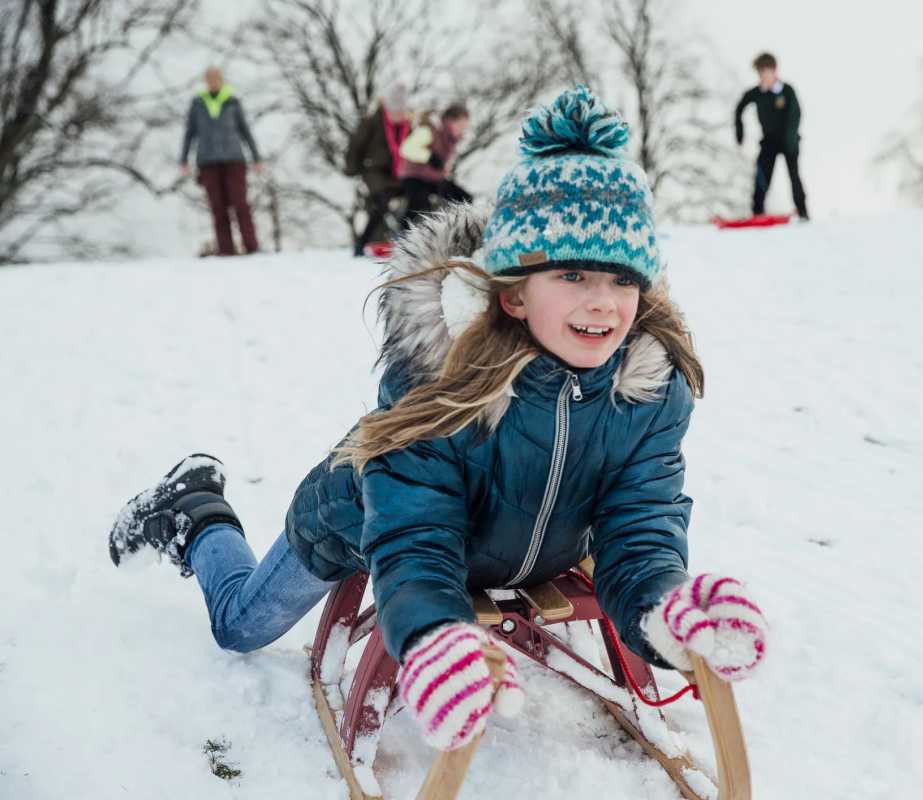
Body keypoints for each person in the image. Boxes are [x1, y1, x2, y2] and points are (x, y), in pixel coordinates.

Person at [108, 86, 769, 753]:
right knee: (241, 626)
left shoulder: (648, 391)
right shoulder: (440, 379)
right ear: (512, 293)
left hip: (510, 547)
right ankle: (196, 512)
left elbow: (640, 521)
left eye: (623, 279)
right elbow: (415, 538)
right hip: (361, 515)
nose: (603, 303)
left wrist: (665, 606)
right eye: (572, 276)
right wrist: (430, 633)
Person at [180, 67, 263, 256]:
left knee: (240, 203)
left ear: (222, 80)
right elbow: (189, 133)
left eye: (217, 77)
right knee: (218, 207)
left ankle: (252, 246)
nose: (213, 81)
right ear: (205, 81)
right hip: (207, 161)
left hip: (234, 159)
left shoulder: (232, 102)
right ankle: (225, 250)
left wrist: (256, 157)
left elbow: (245, 131)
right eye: (210, 78)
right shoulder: (198, 104)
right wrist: (184, 159)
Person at [735, 52, 809, 220]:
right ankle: (757, 212)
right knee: (761, 175)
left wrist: (790, 140)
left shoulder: (787, 91)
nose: (763, 77)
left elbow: (795, 115)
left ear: (774, 71)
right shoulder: (757, 93)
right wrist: (740, 132)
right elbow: (739, 108)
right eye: (760, 74)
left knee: (794, 176)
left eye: (765, 73)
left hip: (788, 140)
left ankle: (803, 212)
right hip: (769, 141)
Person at [345, 81, 411, 256]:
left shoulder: (407, 124)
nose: (398, 114)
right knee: (382, 201)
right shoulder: (372, 122)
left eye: (401, 111)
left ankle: (406, 239)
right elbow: (356, 146)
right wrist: (353, 169)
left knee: (416, 195)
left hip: (400, 171)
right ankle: (362, 242)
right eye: (395, 111)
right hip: (374, 170)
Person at [395, 103, 473, 232]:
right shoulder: (429, 130)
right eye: (461, 124)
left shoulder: (451, 139)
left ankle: (460, 231)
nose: (463, 128)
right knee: (420, 202)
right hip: (413, 175)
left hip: (433, 178)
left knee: (464, 198)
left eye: (465, 125)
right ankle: (401, 235)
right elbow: (406, 149)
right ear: (449, 120)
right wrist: (429, 157)